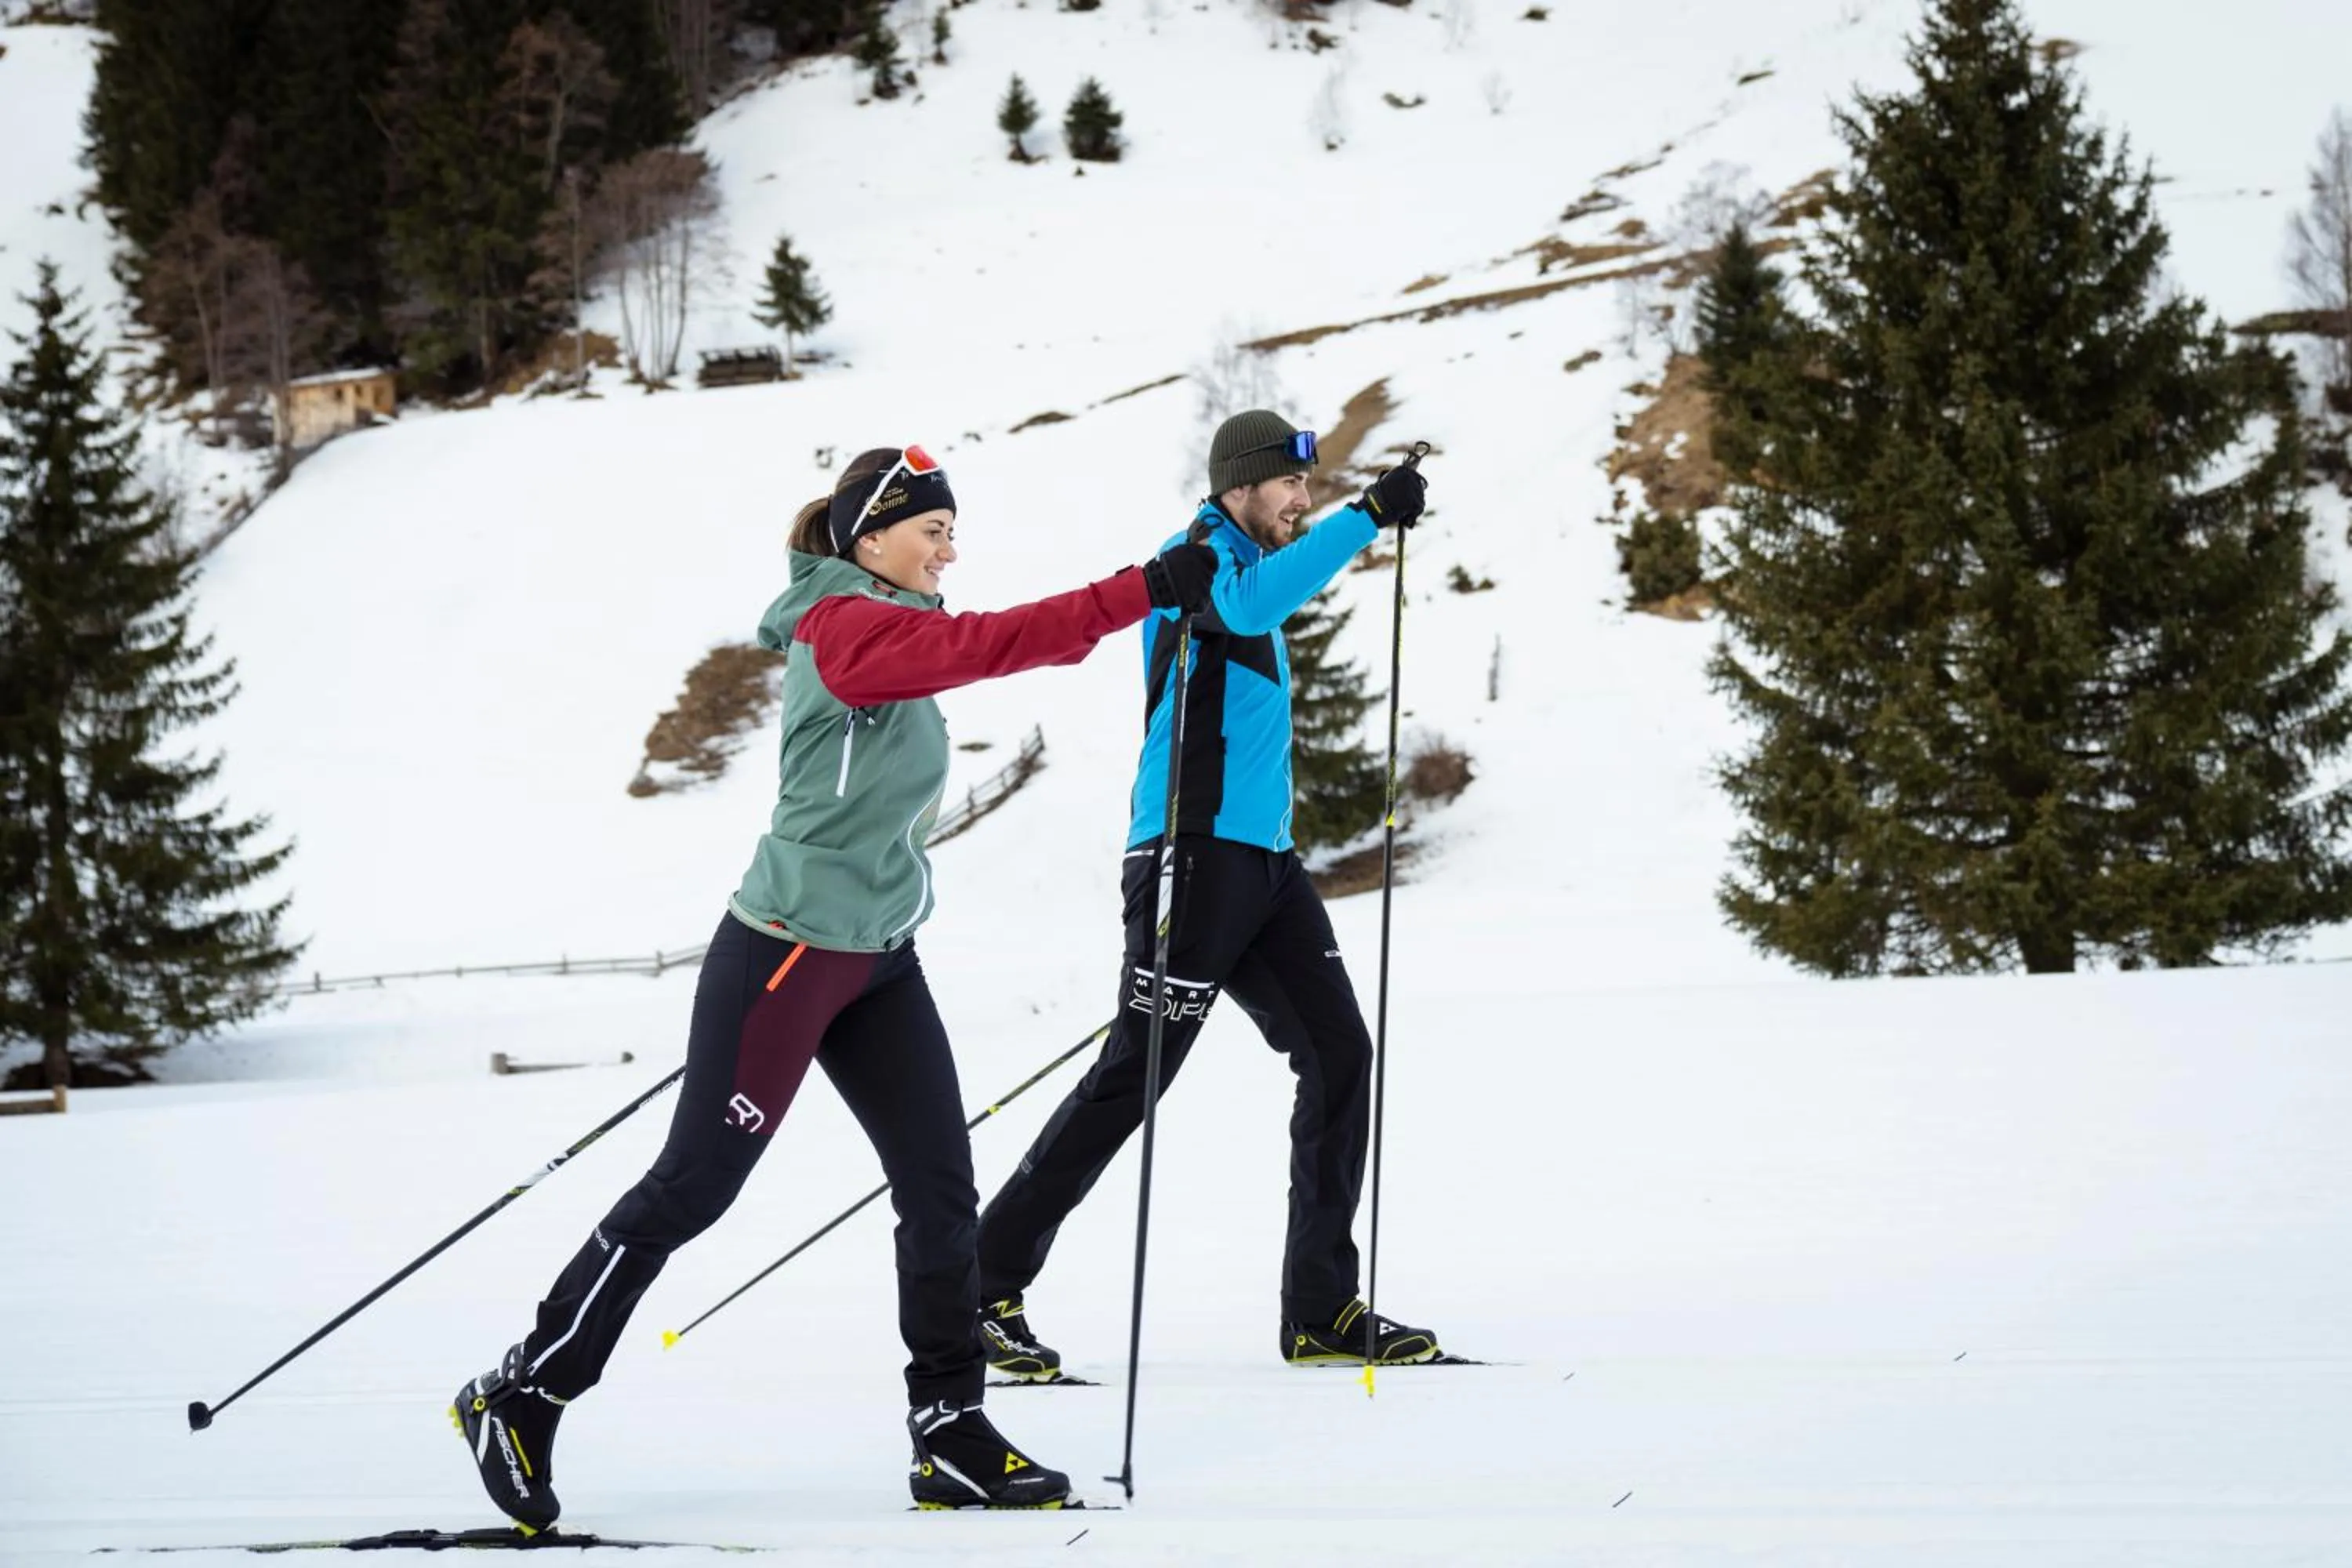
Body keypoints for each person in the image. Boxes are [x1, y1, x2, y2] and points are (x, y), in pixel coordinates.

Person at [452, 444, 1218, 1530]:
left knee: (942, 1191)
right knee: (696, 1186)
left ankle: (950, 1430)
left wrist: (1147, 594)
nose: (951, 547)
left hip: (878, 961)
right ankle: (523, 1390)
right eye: (932, 530)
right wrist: (1135, 590)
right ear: (869, 541)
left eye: (954, 529)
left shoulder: (891, 622)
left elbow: (998, 645)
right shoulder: (846, 628)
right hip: (788, 955)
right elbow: (992, 645)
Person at [972, 409, 1442, 1377]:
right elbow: (1254, 607)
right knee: (1131, 1079)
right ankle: (977, 1287)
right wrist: (1364, 519)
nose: (1302, 501)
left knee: (1340, 1053)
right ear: (1240, 485)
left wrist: (1353, 521)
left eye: (1308, 488)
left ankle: (1319, 1308)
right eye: (1288, 487)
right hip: (1189, 856)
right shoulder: (1194, 559)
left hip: (1265, 867)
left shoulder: (1249, 557)